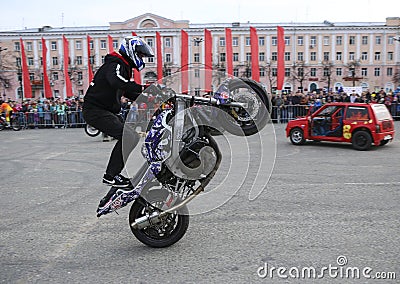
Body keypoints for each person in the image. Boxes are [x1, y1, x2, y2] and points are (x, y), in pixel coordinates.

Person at [83, 36, 154, 188]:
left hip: (105, 111)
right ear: (132, 51)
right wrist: (142, 88)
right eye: (140, 55)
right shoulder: (115, 63)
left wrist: (151, 97)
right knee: (128, 136)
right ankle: (111, 176)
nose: (141, 58)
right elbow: (116, 81)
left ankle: (114, 175)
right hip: (96, 110)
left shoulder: (124, 67)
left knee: (132, 136)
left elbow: (126, 91)